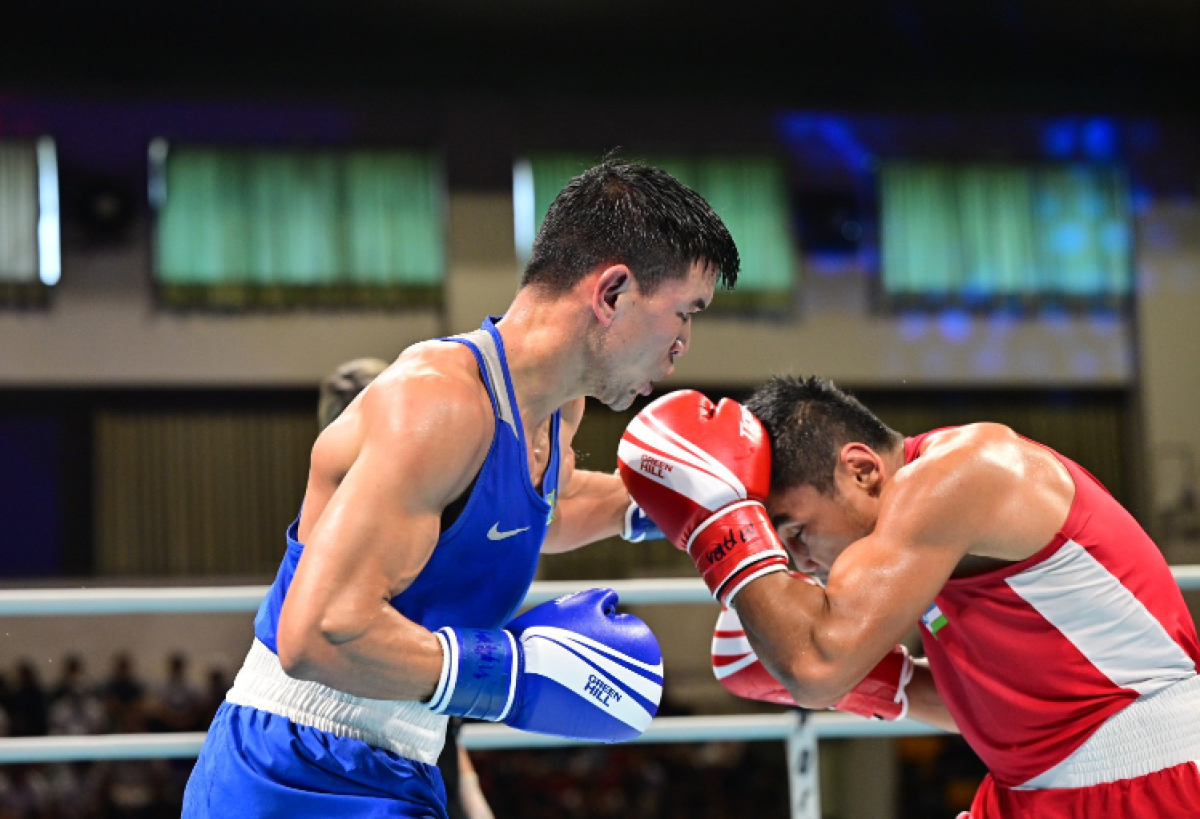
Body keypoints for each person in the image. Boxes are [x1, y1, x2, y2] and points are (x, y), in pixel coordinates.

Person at [183, 157, 740, 818]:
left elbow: (534, 514)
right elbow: (316, 633)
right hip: (295, 767)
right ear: (612, 292)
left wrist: (668, 501)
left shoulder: (558, 407)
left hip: (405, 756)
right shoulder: (439, 405)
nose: (684, 344)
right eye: (685, 311)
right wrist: (510, 676)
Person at [620, 377, 1200, 818]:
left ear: (862, 472)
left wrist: (723, 528)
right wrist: (877, 684)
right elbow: (1029, 710)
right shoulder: (924, 546)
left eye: (795, 531)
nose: (801, 563)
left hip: (1151, 780)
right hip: (1032, 789)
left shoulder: (963, 474)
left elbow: (816, 665)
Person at [318, 356, 492, 819]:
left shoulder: (435, 521)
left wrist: (471, 795)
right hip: (346, 756)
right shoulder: (328, 550)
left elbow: (439, 715)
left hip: (424, 753)